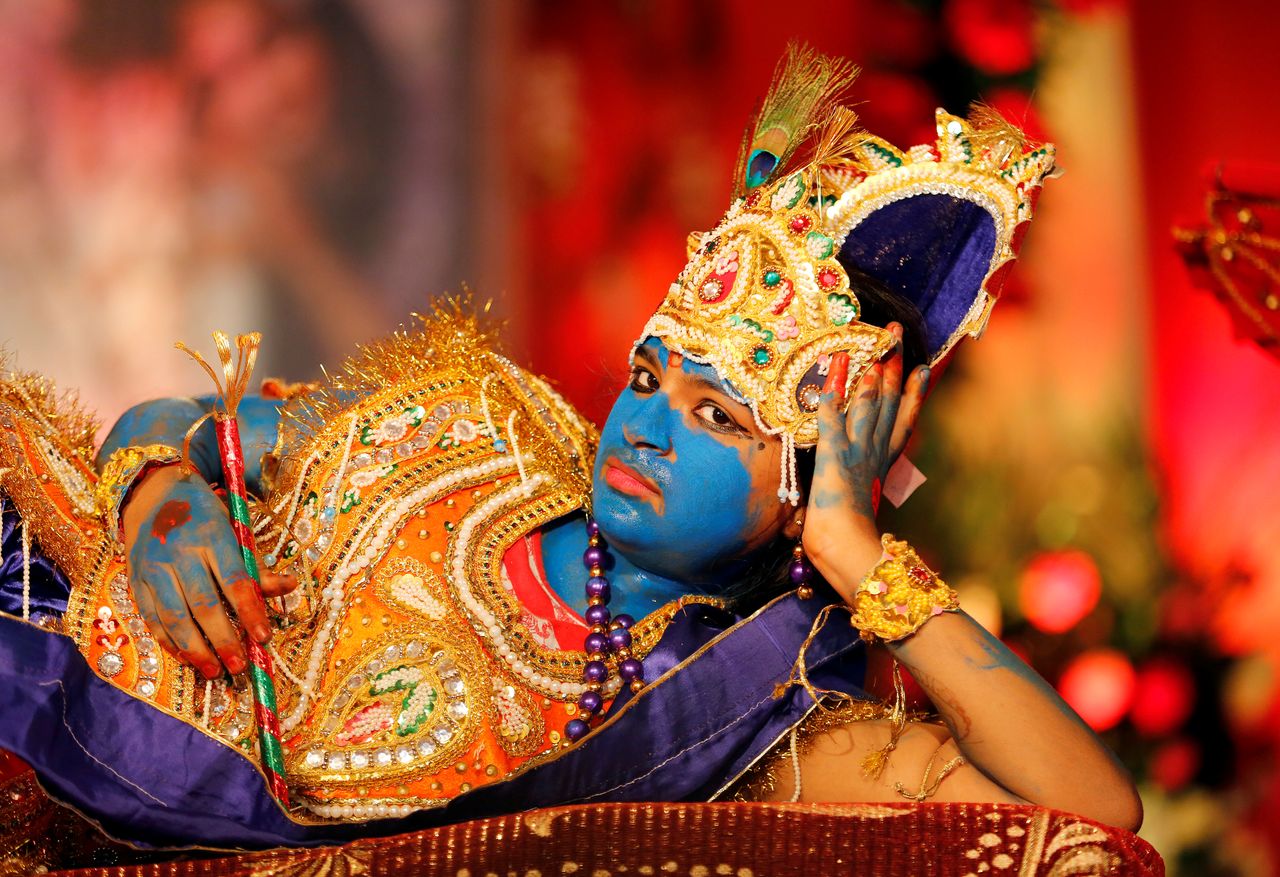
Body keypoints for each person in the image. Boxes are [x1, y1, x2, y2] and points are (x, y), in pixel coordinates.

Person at [0, 46, 1139, 856]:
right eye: (651, 378)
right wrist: (158, 494)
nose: (644, 420)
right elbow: (169, 426)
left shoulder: (729, 713)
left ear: (798, 493)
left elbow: (1091, 816)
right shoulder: (482, 420)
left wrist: (851, 548)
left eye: (718, 417)